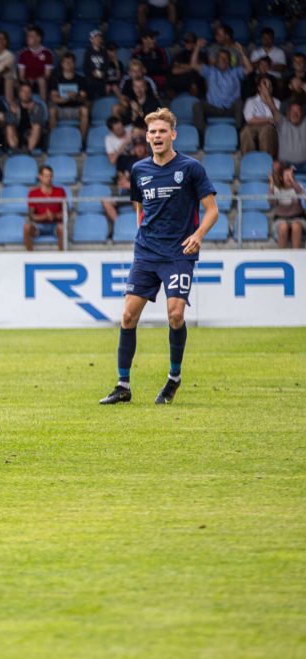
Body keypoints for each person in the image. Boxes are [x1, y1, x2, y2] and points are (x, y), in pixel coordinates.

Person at [100, 108, 218, 406]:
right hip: (147, 253)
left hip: (179, 253)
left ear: (172, 135)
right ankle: (123, 385)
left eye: (162, 131)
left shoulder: (191, 168)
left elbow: (212, 210)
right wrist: (143, 237)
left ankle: (173, 379)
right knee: (128, 316)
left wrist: (198, 236)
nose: (156, 137)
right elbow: (140, 210)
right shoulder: (139, 170)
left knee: (175, 314)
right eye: (152, 132)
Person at [192, 39, 252, 136]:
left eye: (225, 58)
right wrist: (197, 47)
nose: (223, 60)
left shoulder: (235, 72)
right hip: (213, 108)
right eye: (220, 58)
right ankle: (202, 135)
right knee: (197, 105)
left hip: (230, 109)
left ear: (229, 61)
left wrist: (241, 52)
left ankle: (238, 134)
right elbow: (193, 65)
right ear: (216, 60)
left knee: (240, 103)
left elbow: (249, 69)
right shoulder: (210, 71)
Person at [48, 52, 90, 141]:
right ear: (62, 64)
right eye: (66, 62)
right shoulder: (56, 79)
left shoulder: (81, 79)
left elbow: (83, 97)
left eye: (71, 62)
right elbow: (54, 98)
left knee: (85, 111)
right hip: (61, 110)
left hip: (76, 109)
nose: (68, 64)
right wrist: (67, 97)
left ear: (74, 64)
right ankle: (54, 140)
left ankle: (81, 141)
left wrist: (75, 97)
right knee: (52, 110)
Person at [24, 165, 66, 251]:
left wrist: (54, 216)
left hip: (55, 225)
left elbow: (66, 212)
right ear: (40, 177)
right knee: (26, 227)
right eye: (46, 176)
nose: (49, 178)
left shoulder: (60, 191)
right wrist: (45, 216)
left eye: (50, 175)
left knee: (62, 228)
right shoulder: (33, 193)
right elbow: (31, 216)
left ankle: (62, 258)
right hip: (39, 226)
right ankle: (30, 258)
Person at [269, 163, 305, 248]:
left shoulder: (297, 186)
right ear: (281, 177)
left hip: (297, 217)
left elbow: (303, 196)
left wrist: (293, 183)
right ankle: (282, 255)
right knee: (283, 226)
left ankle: (296, 254)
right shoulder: (276, 189)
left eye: (291, 175)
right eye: (287, 175)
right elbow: (271, 202)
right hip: (280, 218)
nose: (289, 177)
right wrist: (271, 187)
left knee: (296, 226)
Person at [240, 77, 278, 157]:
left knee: (266, 130)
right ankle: (249, 161)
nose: (267, 87)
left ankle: (266, 161)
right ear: (259, 88)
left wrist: (268, 98)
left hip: (271, 128)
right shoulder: (251, 101)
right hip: (253, 126)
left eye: (269, 85)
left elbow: (277, 120)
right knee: (245, 131)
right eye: (264, 84)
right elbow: (249, 119)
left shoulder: (276, 101)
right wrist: (269, 119)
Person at [5, 81, 47, 153]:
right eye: (23, 91)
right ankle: (14, 150)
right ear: (19, 93)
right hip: (18, 134)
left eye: (28, 92)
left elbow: (39, 122)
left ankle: (28, 151)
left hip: (32, 134)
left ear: (31, 94)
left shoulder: (37, 106)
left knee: (37, 127)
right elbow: (9, 121)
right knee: (9, 127)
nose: (26, 94)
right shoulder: (14, 106)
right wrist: (13, 114)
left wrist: (31, 112)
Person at [263, 97, 306, 167]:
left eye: (298, 111)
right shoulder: (282, 122)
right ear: (288, 113)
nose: (295, 114)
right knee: (276, 166)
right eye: (292, 111)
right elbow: (273, 108)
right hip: (285, 164)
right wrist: (267, 94)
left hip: (304, 164)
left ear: (302, 114)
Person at [17, 25, 53, 102]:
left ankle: (43, 107)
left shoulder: (47, 53)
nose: (28, 38)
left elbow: (48, 74)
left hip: (41, 81)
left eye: (31, 36)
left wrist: (37, 79)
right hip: (27, 81)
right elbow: (21, 76)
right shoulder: (23, 53)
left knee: (41, 80)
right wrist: (28, 80)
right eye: (27, 36)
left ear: (39, 38)